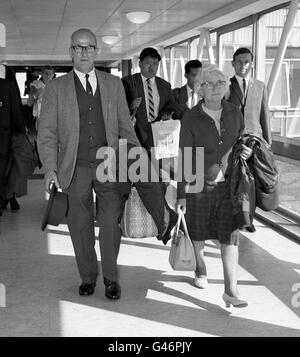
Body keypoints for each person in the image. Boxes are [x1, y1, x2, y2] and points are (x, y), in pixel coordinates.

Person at [37, 28, 141, 300]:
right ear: (70, 51)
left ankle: (110, 277)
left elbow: (125, 127)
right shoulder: (56, 88)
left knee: (109, 222)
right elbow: (47, 133)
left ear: (97, 51)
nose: (84, 52)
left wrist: (138, 161)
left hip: (109, 164)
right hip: (73, 166)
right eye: (78, 47)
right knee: (79, 224)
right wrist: (50, 168)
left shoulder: (113, 85)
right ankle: (87, 277)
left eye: (89, 47)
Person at [176, 64, 252, 307]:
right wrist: (181, 194)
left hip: (229, 186)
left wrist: (247, 151)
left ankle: (231, 290)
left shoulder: (234, 113)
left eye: (221, 83)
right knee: (198, 235)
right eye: (210, 84)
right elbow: (185, 156)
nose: (216, 88)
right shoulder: (191, 117)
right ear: (200, 89)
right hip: (198, 184)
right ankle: (201, 268)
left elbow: (241, 141)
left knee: (230, 238)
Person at [227, 47, 272, 232]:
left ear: (251, 64)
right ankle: (236, 216)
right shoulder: (226, 86)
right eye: (239, 61)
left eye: (247, 62)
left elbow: (264, 117)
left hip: (255, 143)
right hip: (233, 143)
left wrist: (267, 145)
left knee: (251, 181)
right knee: (236, 180)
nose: (243, 65)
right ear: (233, 63)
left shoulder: (260, 86)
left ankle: (248, 219)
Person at [122, 47, 180, 153]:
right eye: (147, 63)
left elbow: (172, 105)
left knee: (157, 165)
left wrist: (169, 113)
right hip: (137, 132)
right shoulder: (128, 82)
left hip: (159, 132)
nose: (151, 67)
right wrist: (130, 106)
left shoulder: (164, 85)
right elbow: (117, 107)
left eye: (155, 64)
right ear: (140, 64)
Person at [0, 74, 26, 215]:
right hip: (3, 136)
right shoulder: (7, 85)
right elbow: (16, 112)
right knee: (4, 169)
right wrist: (22, 133)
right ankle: (6, 198)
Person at [27, 65, 55, 131]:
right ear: (42, 74)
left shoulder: (56, 85)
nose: (48, 75)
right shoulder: (36, 85)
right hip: (41, 118)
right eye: (46, 73)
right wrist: (36, 93)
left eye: (50, 74)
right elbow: (29, 103)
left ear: (53, 75)